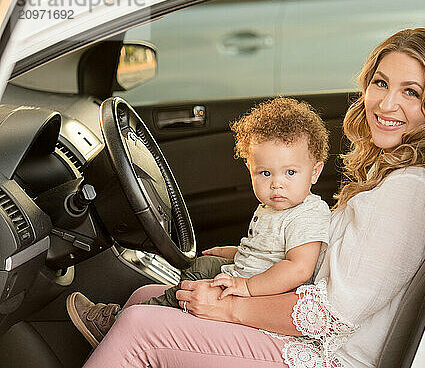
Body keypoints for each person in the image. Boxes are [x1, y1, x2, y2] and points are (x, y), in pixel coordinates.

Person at [80, 28, 425, 368]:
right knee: (144, 297)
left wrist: (231, 308)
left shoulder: (411, 193)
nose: (387, 104)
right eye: (380, 83)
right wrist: (238, 260)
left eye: (411, 92)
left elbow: (330, 315)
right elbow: (329, 264)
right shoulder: (398, 174)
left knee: (139, 328)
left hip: (329, 355)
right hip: (313, 331)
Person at [66, 97, 331, 348]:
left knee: (190, 288)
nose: (276, 183)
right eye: (264, 173)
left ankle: (119, 325)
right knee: (202, 264)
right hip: (245, 275)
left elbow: (298, 268)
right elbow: (268, 250)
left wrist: (247, 287)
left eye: (291, 172)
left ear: (315, 172)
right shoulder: (272, 206)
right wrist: (233, 252)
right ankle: (167, 307)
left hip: (262, 295)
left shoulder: (308, 214)